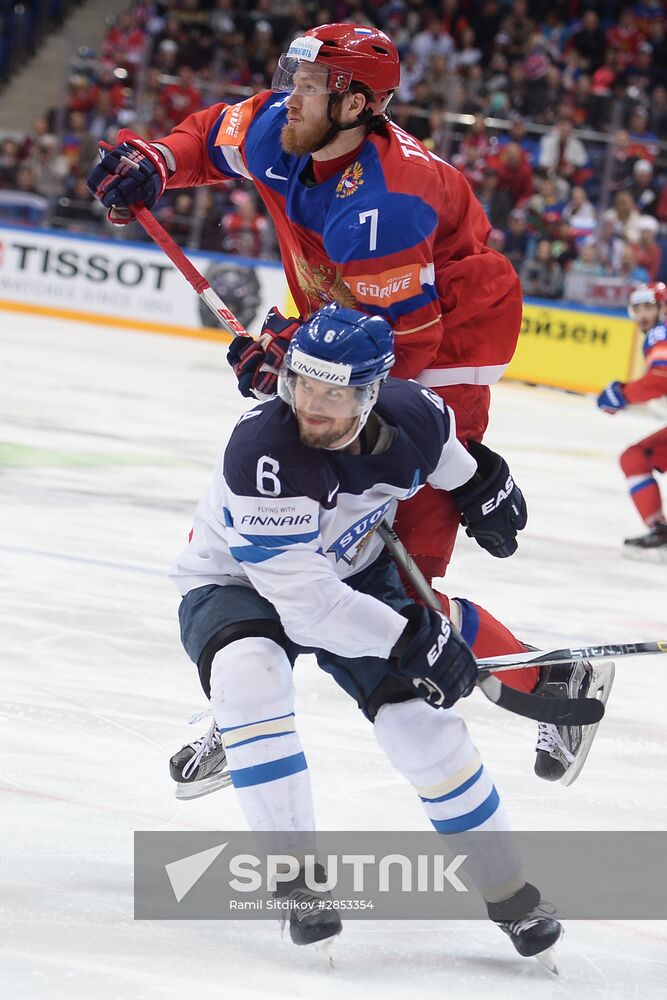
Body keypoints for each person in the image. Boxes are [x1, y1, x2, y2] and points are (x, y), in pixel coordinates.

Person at [87, 22, 588, 775]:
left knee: (399, 565)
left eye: (313, 86)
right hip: (343, 317)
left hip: (449, 335)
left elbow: (404, 351)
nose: (292, 97)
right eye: (295, 80)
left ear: (356, 105)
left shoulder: (383, 207)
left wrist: (296, 356)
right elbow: (204, 139)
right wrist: (155, 164)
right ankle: (246, 697)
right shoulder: (281, 127)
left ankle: (550, 678)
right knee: (280, 507)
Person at [168, 302, 562, 965]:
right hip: (237, 580)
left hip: (354, 576)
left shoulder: (417, 416)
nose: (311, 408)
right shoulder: (263, 454)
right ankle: (296, 881)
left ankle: (509, 894)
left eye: (332, 393)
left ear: (372, 393)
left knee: (425, 731)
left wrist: (485, 490)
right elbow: (308, 610)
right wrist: (414, 638)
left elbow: (453, 468)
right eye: (301, 386)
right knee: (249, 675)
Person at [597, 282, 667, 557]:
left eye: (648, 307)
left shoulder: (659, 332)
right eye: (637, 308)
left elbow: (661, 379)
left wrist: (622, 395)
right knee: (635, 458)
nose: (642, 315)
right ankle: (659, 528)